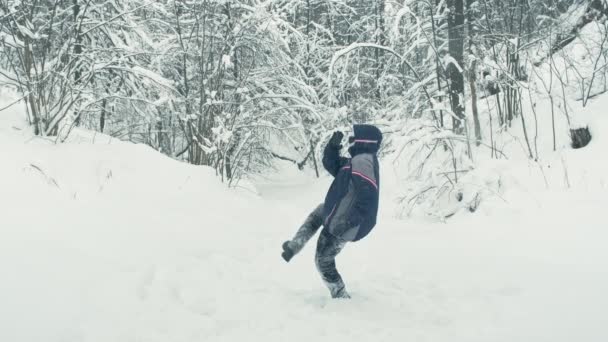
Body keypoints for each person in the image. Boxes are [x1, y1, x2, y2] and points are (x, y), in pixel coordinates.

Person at [281, 124, 382, 299]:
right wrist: (333, 146)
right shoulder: (354, 161)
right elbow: (331, 164)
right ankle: (294, 246)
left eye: (354, 136)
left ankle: (340, 294)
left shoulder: (363, 161)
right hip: (334, 211)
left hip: (343, 222)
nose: (351, 138)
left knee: (323, 260)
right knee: (316, 215)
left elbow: (368, 198)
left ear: (364, 140)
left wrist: (349, 222)